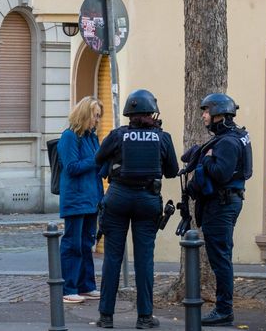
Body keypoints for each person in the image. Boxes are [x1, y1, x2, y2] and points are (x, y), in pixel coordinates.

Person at [94, 89, 178, 329]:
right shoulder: (162, 138)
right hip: (147, 199)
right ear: (150, 113)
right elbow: (172, 171)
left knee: (112, 257)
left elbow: (98, 159)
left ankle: (106, 316)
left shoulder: (118, 135)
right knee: (144, 260)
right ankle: (144, 317)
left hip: (118, 197)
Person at [185, 93, 253, 327]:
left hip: (222, 204)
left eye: (206, 111)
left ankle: (224, 310)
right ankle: (223, 308)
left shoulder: (227, 142)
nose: (203, 115)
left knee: (220, 257)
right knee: (221, 255)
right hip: (228, 201)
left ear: (218, 114)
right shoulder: (237, 136)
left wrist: (206, 159)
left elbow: (222, 173)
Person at [57, 96, 105, 304]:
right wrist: (96, 160)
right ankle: (69, 288)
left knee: (87, 244)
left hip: (90, 199)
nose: (97, 121)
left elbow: (95, 168)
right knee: (73, 244)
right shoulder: (69, 137)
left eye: (99, 117)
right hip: (75, 199)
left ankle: (87, 285)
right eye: (95, 116)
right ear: (85, 115)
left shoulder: (91, 138)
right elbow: (72, 167)